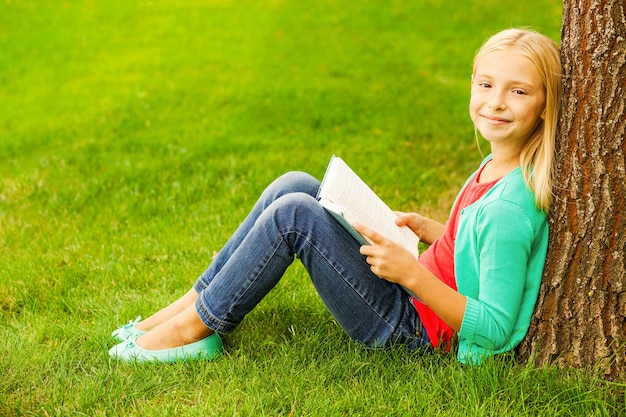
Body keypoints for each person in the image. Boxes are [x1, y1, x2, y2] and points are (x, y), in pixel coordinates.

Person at [108, 27, 562, 365]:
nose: (496, 102)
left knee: (295, 217)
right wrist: (436, 233)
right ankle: (190, 305)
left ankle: (192, 330)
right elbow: (482, 255)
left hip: (413, 329)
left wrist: (412, 276)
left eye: (517, 92)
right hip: (414, 291)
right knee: (297, 184)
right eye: (485, 84)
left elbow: (498, 329)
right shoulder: (498, 166)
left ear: (546, 106)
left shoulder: (508, 207)